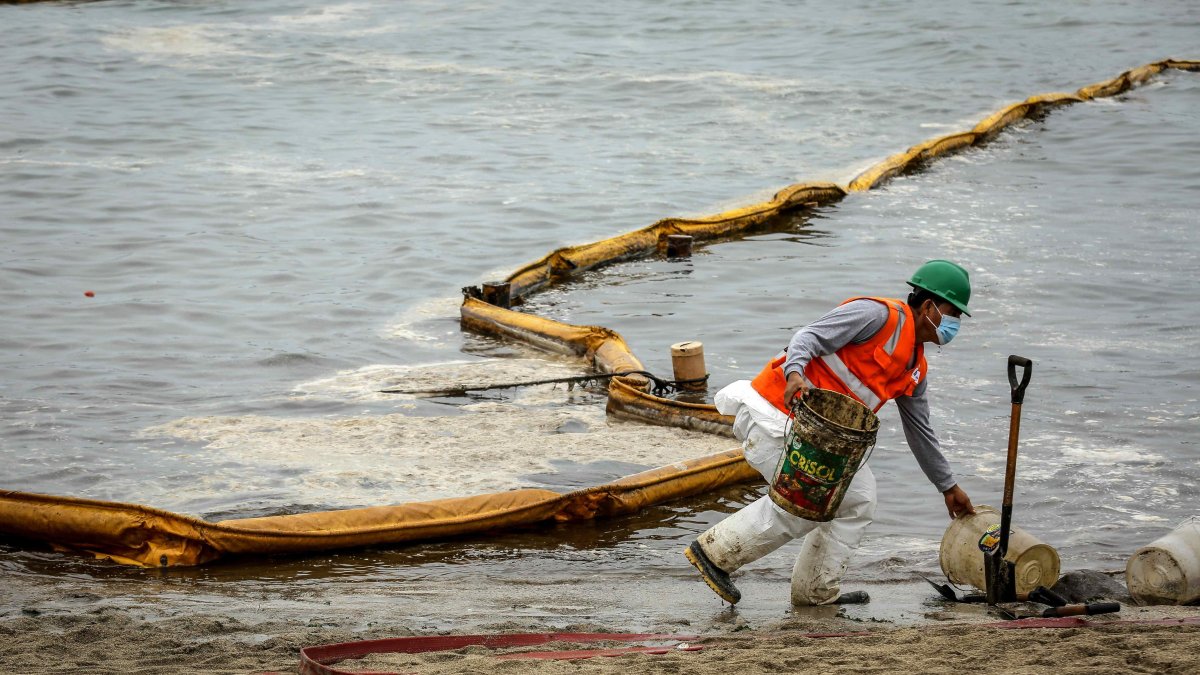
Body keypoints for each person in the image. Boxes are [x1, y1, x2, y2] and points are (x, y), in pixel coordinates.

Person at [684, 260, 977, 606]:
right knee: (806, 500)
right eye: (952, 313)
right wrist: (795, 373)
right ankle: (714, 554)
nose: (954, 323)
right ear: (928, 306)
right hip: (774, 416)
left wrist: (948, 486)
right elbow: (808, 337)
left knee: (860, 498)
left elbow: (920, 433)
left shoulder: (915, 368)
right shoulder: (877, 316)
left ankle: (815, 591)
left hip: (817, 441)